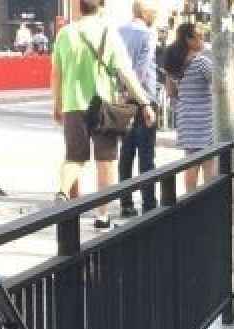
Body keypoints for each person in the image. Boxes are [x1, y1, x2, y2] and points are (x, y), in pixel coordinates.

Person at [51, 0, 157, 229]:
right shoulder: (108, 32)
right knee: (106, 160)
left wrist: (57, 103)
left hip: (72, 104)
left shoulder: (65, 33)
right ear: (100, 7)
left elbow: (56, 73)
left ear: (80, 7)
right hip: (102, 105)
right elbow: (126, 73)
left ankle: (62, 192)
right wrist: (144, 103)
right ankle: (102, 215)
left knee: (74, 157)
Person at [118, 0, 160, 218]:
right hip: (144, 98)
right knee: (146, 152)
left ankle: (125, 202)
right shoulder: (147, 34)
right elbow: (142, 69)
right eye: (155, 12)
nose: (156, 16)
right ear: (145, 12)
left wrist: (122, 90)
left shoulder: (119, 31)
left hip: (123, 98)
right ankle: (149, 202)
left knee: (126, 152)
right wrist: (142, 99)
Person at [162, 23, 217, 190]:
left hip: (185, 117)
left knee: (191, 162)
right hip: (204, 118)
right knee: (208, 161)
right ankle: (209, 198)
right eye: (198, 36)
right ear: (188, 39)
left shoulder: (174, 63)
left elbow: (171, 92)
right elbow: (218, 85)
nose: (202, 39)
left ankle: (190, 200)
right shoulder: (201, 62)